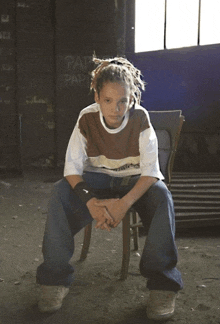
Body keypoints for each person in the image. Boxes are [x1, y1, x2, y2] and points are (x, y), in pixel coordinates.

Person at [36, 56, 183, 321]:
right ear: (97, 96)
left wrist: (122, 204)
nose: (116, 109)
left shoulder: (140, 117)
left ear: (131, 98)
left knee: (163, 197)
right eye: (108, 100)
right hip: (97, 181)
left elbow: (151, 173)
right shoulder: (87, 118)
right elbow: (71, 169)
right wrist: (92, 203)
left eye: (122, 100)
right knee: (60, 191)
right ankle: (54, 279)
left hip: (134, 181)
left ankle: (162, 285)